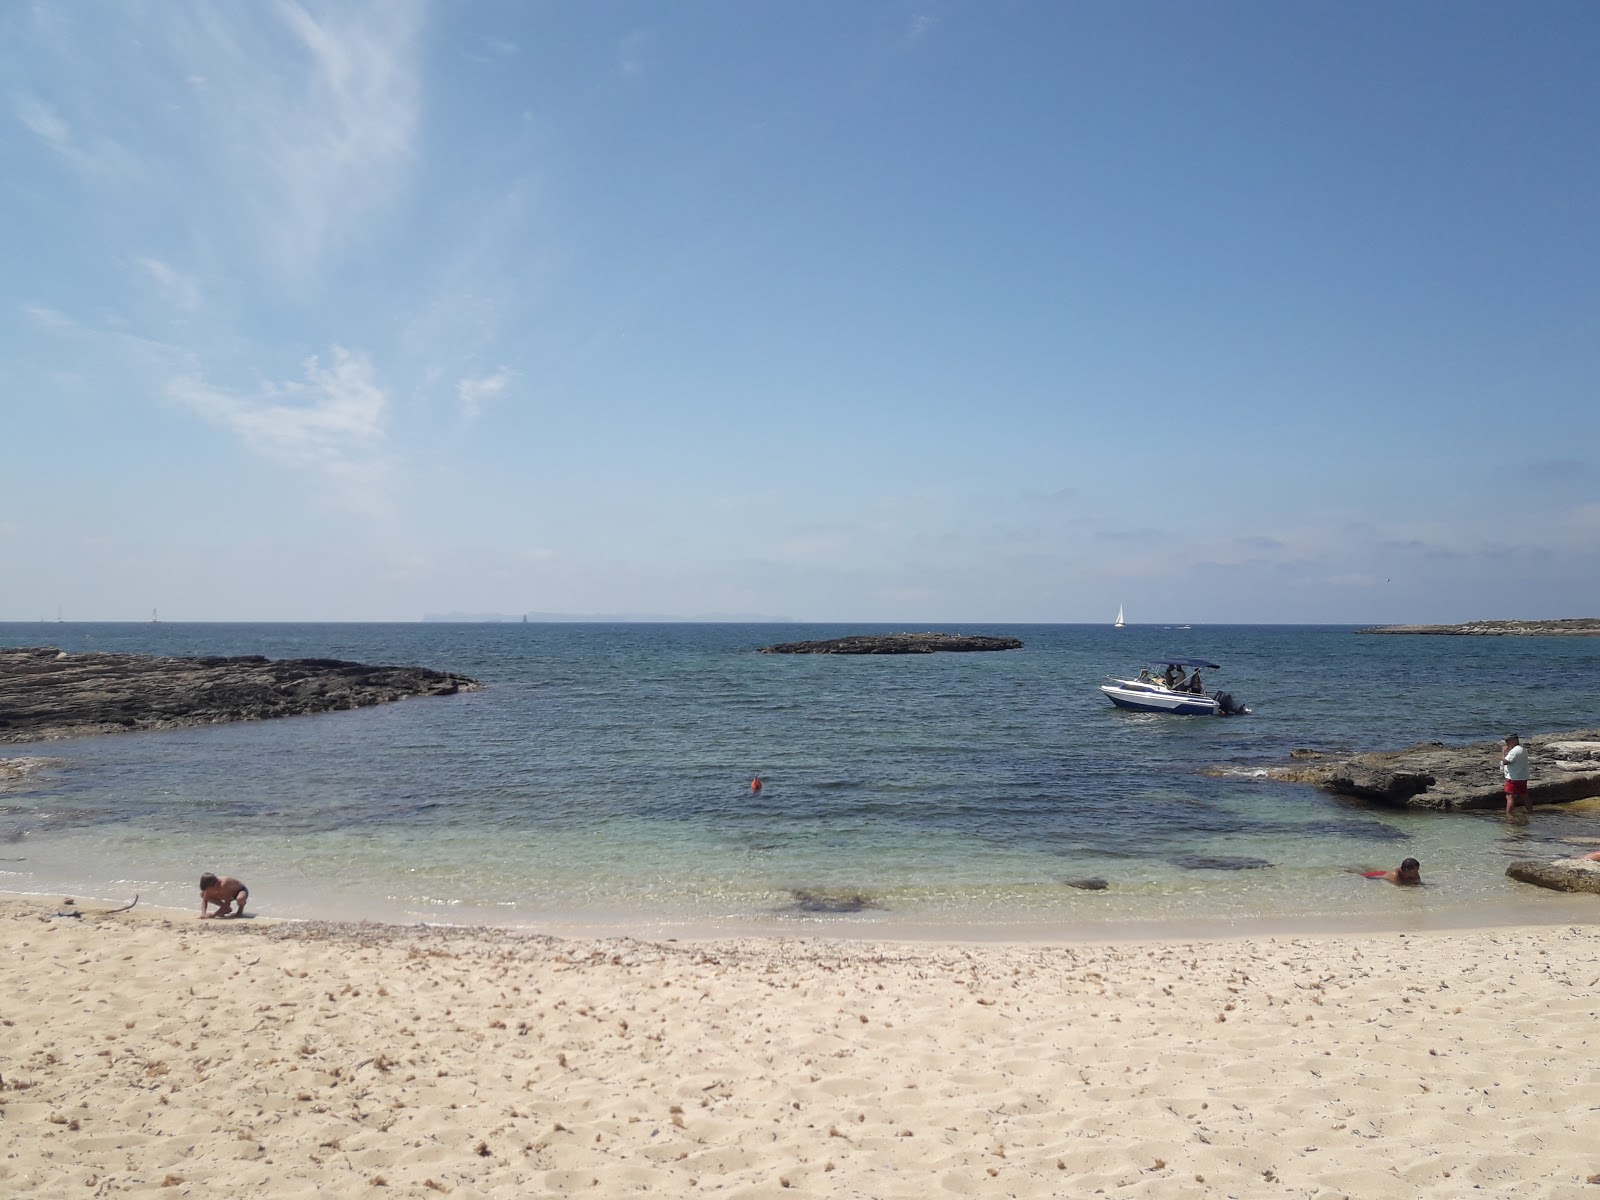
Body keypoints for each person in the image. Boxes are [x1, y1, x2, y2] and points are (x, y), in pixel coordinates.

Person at [1500, 734, 1531, 816]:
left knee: (1510, 796)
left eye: (1508, 741)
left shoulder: (1515, 751)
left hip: (1513, 777)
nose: (1506, 743)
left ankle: (1509, 814)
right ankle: (1530, 811)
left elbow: (1505, 761)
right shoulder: (1522, 750)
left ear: (1513, 741)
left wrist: (1503, 752)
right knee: (1524, 795)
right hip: (1522, 776)